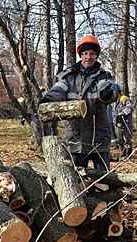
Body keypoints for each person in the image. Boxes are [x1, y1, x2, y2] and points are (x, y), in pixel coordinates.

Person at [39, 34, 120, 170]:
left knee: (103, 180)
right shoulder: (69, 77)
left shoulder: (104, 76)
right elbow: (59, 90)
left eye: (92, 53)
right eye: (86, 53)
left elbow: (110, 91)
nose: (89, 57)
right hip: (75, 139)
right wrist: (48, 100)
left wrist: (109, 93)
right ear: (81, 55)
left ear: (96, 56)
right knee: (76, 181)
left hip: (98, 138)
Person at [113, 93, 134, 158]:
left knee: (127, 138)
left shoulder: (124, 98)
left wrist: (122, 114)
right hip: (118, 123)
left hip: (125, 122)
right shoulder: (114, 101)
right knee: (120, 139)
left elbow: (130, 107)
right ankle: (123, 151)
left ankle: (128, 153)